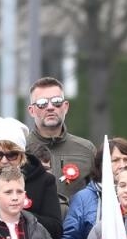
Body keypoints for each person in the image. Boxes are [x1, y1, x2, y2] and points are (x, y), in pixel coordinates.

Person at [26, 77, 93, 205]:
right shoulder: (20, 149)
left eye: (56, 101)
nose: (50, 107)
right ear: (31, 110)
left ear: (66, 106)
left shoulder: (86, 150)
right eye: (42, 103)